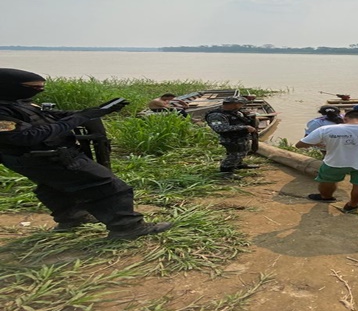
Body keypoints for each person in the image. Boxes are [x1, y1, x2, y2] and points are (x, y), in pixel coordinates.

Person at [0, 68, 172, 240]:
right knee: (107, 185)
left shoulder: (14, 102)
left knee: (54, 186)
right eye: (34, 87)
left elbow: (49, 115)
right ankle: (127, 227)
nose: (39, 90)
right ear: (10, 86)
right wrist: (77, 119)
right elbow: (27, 137)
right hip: (44, 157)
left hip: (37, 158)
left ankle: (73, 218)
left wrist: (93, 112)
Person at [205, 96, 261, 174]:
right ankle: (226, 171)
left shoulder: (234, 111)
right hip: (230, 138)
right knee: (234, 154)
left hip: (241, 136)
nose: (242, 106)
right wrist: (244, 127)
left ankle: (238, 164)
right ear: (234, 104)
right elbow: (220, 128)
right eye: (240, 104)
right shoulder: (216, 115)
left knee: (244, 150)